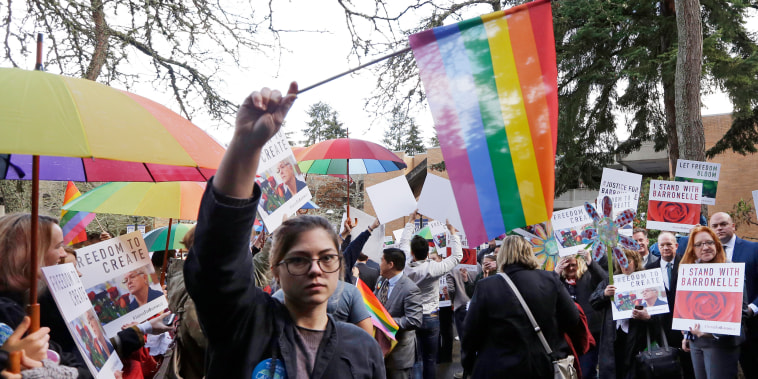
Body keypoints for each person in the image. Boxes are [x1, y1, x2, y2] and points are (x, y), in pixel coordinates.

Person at [183, 82, 384, 378]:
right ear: (276, 270)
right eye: (299, 259)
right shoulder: (246, 325)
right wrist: (245, 145)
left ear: (340, 265)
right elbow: (217, 259)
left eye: (327, 258)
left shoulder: (362, 348)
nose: (315, 269)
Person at [462, 235, 583, 378]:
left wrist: (469, 365)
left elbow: (470, 332)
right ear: (530, 253)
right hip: (541, 365)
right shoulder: (550, 279)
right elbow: (573, 319)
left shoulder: (486, 286)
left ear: (502, 255)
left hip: (499, 366)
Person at [398, 213, 462, 379]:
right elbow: (457, 257)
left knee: (414, 358)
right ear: (428, 253)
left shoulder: (405, 264)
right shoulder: (433, 268)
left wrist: (411, 221)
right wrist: (452, 232)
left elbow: (404, 242)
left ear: (412, 252)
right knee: (430, 359)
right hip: (431, 316)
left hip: (411, 315)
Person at [677, 225, 744, 379]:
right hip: (696, 343)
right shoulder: (690, 271)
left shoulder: (731, 269)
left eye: (709, 242)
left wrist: (711, 332)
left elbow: (742, 312)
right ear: (692, 249)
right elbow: (687, 308)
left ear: (716, 244)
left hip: (721, 343)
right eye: (699, 244)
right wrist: (687, 335)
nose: (705, 247)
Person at [590, 249, 664, 379]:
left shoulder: (648, 279)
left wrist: (648, 317)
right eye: (620, 261)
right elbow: (593, 302)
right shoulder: (610, 281)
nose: (624, 265)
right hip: (612, 338)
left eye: (627, 261)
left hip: (637, 340)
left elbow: (660, 312)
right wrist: (604, 294)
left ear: (635, 262)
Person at [555, 251, 607, 379]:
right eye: (568, 266)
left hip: (590, 332)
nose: (571, 268)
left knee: (587, 371)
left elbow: (604, 280)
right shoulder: (558, 281)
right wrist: (555, 273)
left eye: (574, 265)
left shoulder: (587, 276)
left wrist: (590, 262)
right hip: (568, 334)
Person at [375, 248, 422, 379]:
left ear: (391, 264)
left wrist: (385, 322)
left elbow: (414, 320)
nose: (379, 264)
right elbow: (374, 302)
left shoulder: (410, 288)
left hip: (399, 353)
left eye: (382, 260)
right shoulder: (381, 280)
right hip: (380, 349)